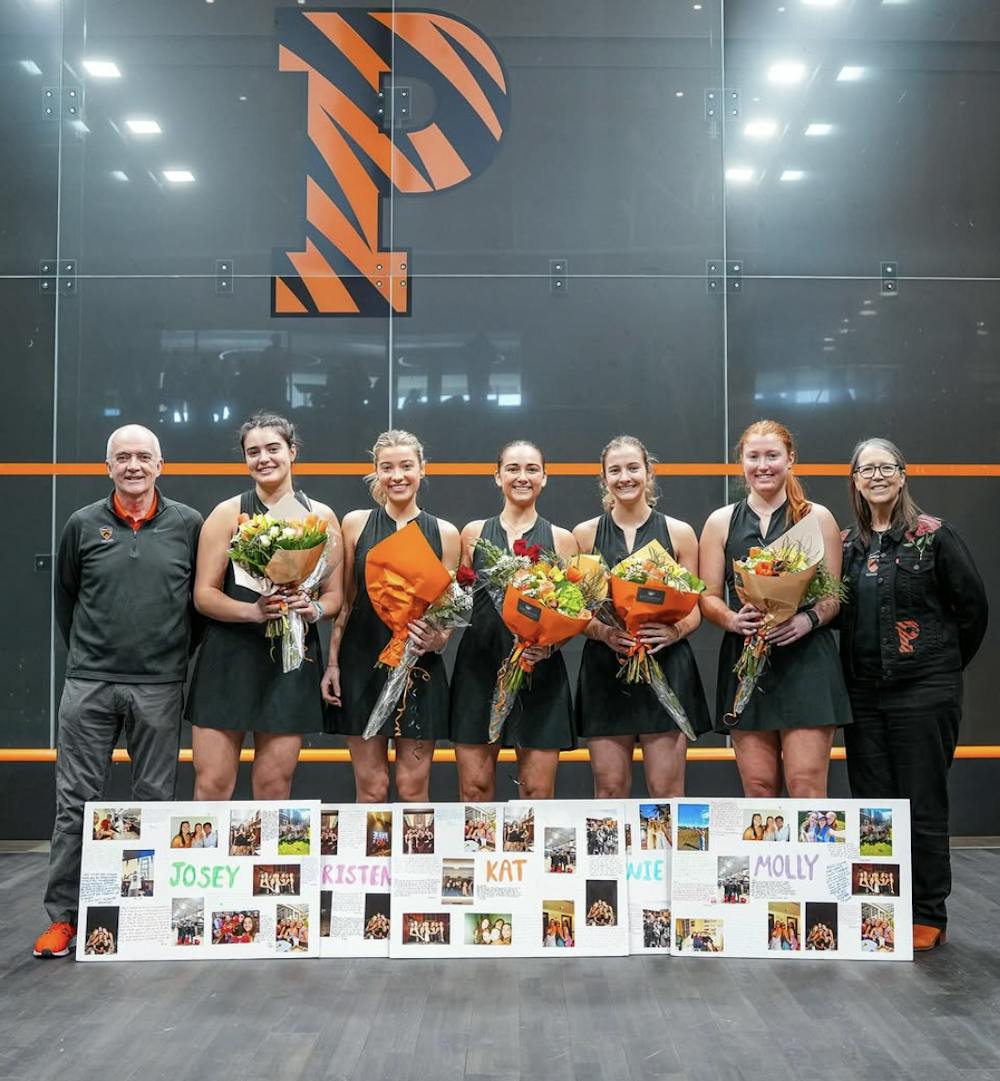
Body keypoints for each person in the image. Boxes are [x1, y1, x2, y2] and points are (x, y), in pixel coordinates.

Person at [34, 425, 203, 960]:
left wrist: (167, 658)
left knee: (154, 805)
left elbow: (197, 606)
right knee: (76, 804)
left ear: (161, 465)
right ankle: (64, 919)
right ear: (108, 467)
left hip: (159, 686)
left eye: (143, 457)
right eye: (122, 457)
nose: (133, 465)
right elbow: (67, 603)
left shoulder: (188, 525)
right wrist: (93, 659)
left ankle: (139, 913)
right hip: (89, 685)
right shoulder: (82, 525)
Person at [840, 437, 988, 951]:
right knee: (873, 808)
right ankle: (883, 909)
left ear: (903, 475)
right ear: (855, 481)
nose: (877, 476)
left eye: (887, 467)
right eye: (867, 469)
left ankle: (927, 912)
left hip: (926, 692)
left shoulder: (935, 537)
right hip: (863, 695)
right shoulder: (845, 547)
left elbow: (973, 611)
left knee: (922, 803)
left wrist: (938, 667)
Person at [186, 413, 343, 801]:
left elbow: (335, 597)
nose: (264, 458)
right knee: (212, 785)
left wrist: (313, 610)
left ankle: (272, 865)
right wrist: (253, 611)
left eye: (273, 448)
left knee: (275, 787)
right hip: (228, 658)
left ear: (292, 452)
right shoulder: (227, 513)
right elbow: (204, 595)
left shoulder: (320, 517)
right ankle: (209, 863)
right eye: (253, 452)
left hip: (289, 664)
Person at [700, 420, 851, 798]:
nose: (763, 465)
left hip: (807, 662)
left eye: (772, 456)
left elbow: (833, 597)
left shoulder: (818, 517)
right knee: (759, 789)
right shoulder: (720, 522)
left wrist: (807, 619)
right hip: (747, 659)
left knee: (806, 787)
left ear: (790, 459)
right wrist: (733, 619)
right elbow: (707, 598)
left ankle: (814, 859)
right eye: (754, 457)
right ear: (741, 463)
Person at [323, 430, 461, 801]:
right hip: (360, 661)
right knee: (371, 789)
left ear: (422, 470)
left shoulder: (446, 533)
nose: (397, 476)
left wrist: (440, 637)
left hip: (420, 665)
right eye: (387, 468)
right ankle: (373, 862)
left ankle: (417, 862)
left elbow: (448, 609)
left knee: (413, 788)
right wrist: (333, 664)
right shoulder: (355, 523)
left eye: (406, 466)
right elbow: (347, 601)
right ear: (376, 472)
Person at [574, 435, 712, 798]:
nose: (625, 477)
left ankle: (670, 858)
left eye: (633, 468)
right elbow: (578, 612)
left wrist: (673, 632)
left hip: (665, 663)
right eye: (615, 470)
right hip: (607, 670)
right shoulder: (584, 536)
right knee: (609, 790)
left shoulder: (680, 533)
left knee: (666, 790)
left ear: (648, 472)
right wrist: (604, 633)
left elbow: (695, 608)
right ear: (604, 479)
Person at [451, 441, 577, 800]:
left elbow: (574, 612)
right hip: (478, 668)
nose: (522, 477)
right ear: (497, 476)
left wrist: (550, 645)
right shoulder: (472, 534)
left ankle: (532, 859)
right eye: (513, 469)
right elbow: (459, 602)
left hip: (539, 674)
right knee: (474, 790)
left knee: (537, 792)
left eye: (532, 469)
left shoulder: (562, 540)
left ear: (545, 477)